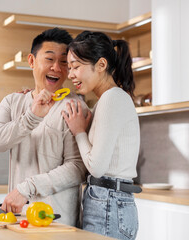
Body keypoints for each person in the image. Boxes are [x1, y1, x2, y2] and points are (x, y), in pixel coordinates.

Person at [0, 28, 89, 226]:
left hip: (57, 222)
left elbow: (77, 168)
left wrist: (26, 188)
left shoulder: (75, 108)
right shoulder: (12, 102)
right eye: (49, 59)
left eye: (64, 62)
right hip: (17, 220)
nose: (57, 68)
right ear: (32, 61)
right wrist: (31, 117)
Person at [62, 30, 142, 239]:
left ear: (101, 65)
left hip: (108, 203)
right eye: (69, 67)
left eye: (76, 66)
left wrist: (79, 131)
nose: (70, 74)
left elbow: (96, 167)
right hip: (109, 201)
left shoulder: (111, 99)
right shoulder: (107, 100)